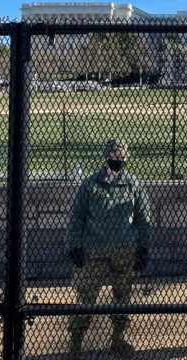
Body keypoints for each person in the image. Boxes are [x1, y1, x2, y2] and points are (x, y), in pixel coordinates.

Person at [64, 138, 152, 360]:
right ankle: (75, 344)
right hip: (94, 250)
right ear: (106, 156)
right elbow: (77, 218)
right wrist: (73, 245)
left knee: (123, 298)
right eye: (114, 156)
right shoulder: (91, 184)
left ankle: (117, 339)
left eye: (122, 157)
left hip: (125, 250)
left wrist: (144, 248)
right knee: (85, 298)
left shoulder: (133, 184)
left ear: (127, 158)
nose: (118, 160)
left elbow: (144, 218)